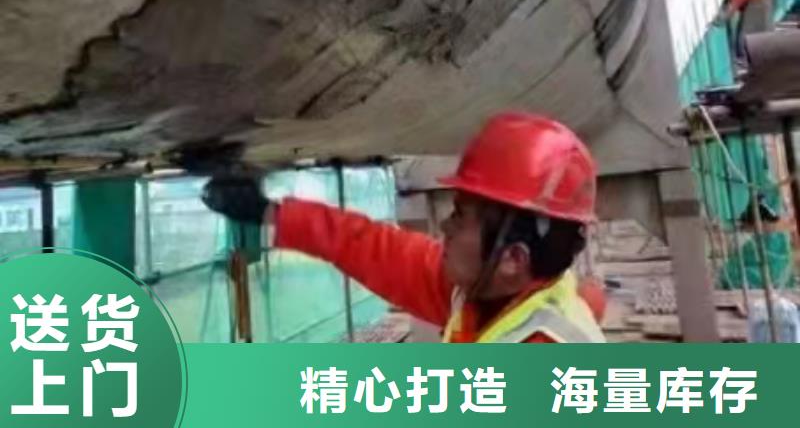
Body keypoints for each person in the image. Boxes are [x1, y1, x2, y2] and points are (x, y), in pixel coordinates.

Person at [201, 112, 606, 343]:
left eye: (459, 216)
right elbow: (372, 248)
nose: (445, 226)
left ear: (513, 258)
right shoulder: (488, 290)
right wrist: (270, 214)